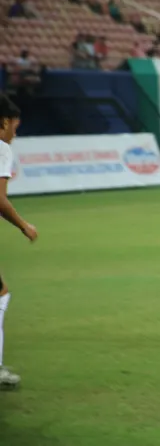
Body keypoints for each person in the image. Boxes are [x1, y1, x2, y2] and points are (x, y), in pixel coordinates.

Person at [0, 94, 38, 388]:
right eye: (15, 125)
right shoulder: (1, 148)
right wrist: (23, 225)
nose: (16, 132)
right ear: (4, 122)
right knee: (1, 294)